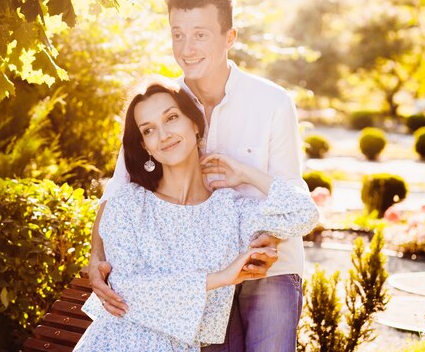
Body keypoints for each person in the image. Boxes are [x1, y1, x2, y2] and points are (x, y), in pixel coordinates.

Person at [89, 0, 309, 352]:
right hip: (197, 272)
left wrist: (260, 229)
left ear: (230, 37)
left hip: (268, 261)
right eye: (178, 34)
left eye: (200, 35)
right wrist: (97, 255)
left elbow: (292, 193)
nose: (187, 49)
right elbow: (119, 188)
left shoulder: (272, 101)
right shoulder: (165, 103)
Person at [75, 82, 318, 352]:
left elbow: (303, 213)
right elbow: (125, 292)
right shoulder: (128, 203)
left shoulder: (229, 210)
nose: (164, 134)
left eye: (171, 118)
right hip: (118, 344)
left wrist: (245, 173)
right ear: (145, 147)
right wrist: (221, 278)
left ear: (194, 123)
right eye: (149, 130)